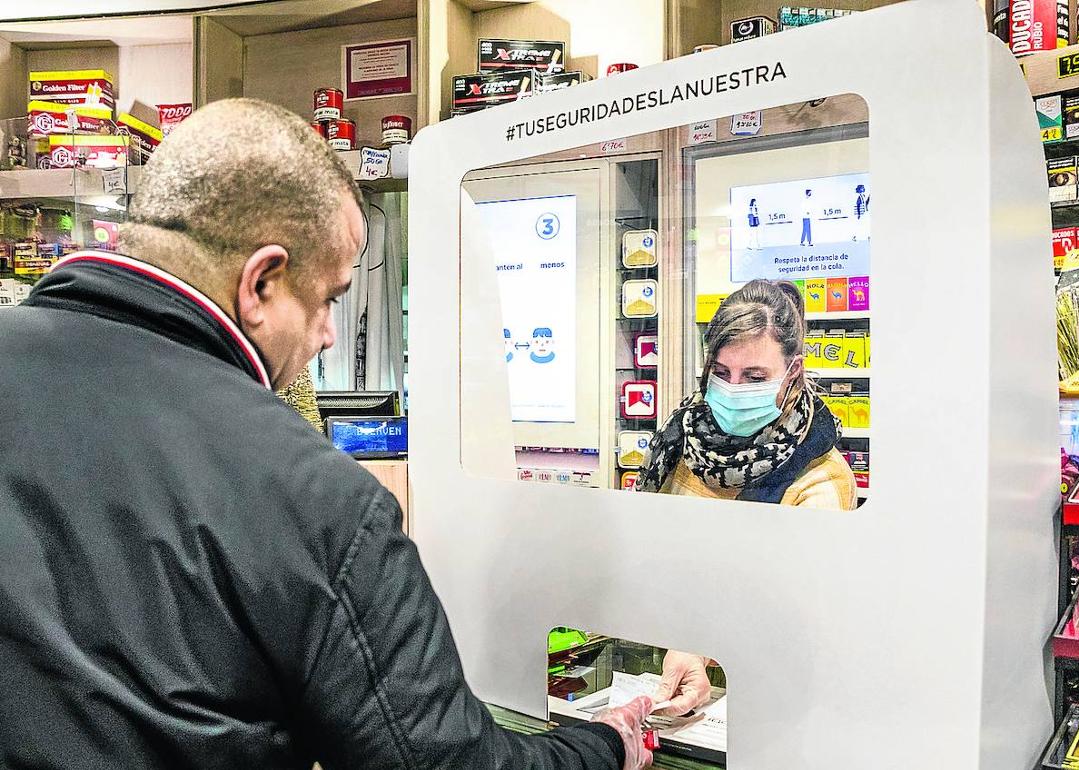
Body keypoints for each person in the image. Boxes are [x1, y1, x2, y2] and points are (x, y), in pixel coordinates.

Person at [0, 99, 652, 769]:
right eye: (330, 298)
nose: (330, 334)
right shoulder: (313, 499)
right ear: (261, 283)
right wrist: (603, 746)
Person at [637, 279, 858, 715]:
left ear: (793, 372)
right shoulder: (680, 441)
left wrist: (699, 649)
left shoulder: (820, 480)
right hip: (655, 676)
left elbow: (790, 610)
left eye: (755, 377)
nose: (733, 389)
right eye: (721, 373)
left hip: (767, 700)